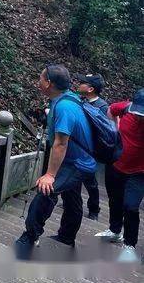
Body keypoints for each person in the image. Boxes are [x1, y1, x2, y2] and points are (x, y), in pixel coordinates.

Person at [14, 65, 97, 259]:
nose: (38, 81)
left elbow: (60, 143)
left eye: (40, 78)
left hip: (76, 164)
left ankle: (29, 237)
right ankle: (67, 237)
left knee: (46, 191)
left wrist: (50, 175)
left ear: (49, 83)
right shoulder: (67, 99)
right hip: (81, 160)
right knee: (72, 197)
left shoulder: (64, 106)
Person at [94, 89, 144, 263]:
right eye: (138, 113)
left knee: (130, 206)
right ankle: (115, 231)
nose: (139, 117)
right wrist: (115, 128)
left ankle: (129, 245)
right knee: (114, 199)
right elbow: (111, 110)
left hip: (139, 173)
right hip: (115, 165)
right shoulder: (125, 107)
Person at [75, 73, 109, 220]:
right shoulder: (82, 101)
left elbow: (103, 131)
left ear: (90, 89)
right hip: (77, 145)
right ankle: (72, 202)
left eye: (82, 82)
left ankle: (94, 209)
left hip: (91, 150)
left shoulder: (102, 106)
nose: (78, 84)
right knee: (73, 175)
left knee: (90, 182)